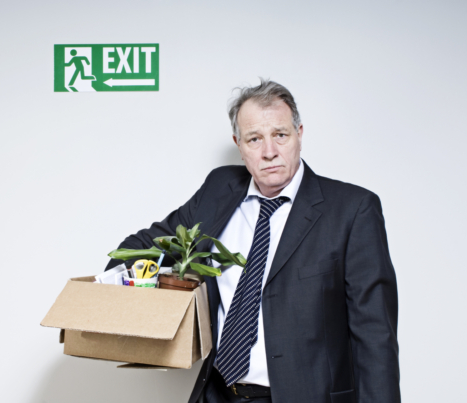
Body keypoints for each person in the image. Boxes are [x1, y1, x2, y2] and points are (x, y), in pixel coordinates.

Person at [105, 80, 400, 403]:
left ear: (299, 133)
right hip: (217, 393)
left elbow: (375, 336)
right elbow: (147, 245)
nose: (269, 152)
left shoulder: (352, 209)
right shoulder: (219, 189)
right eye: (255, 139)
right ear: (239, 144)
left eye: (280, 135)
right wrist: (119, 291)